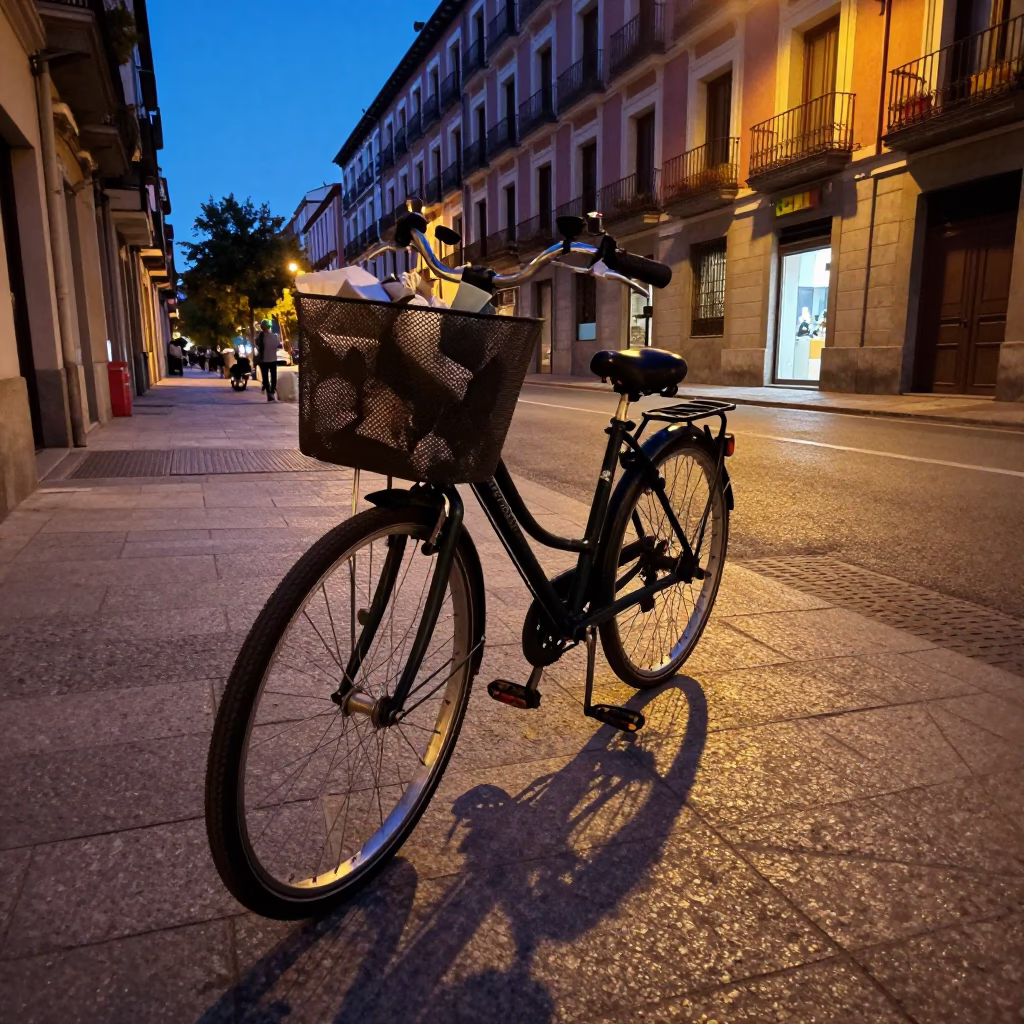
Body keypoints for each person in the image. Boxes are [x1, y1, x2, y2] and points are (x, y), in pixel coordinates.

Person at [254, 319, 281, 401]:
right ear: (269, 327)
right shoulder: (275, 336)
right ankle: (272, 392)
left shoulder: (258, 338)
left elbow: (258, 348)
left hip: (264, 360)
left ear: (262, 327)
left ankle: (269, 393)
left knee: (265, 378)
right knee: (273, 377)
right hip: (273, 359)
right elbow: (278, 345)